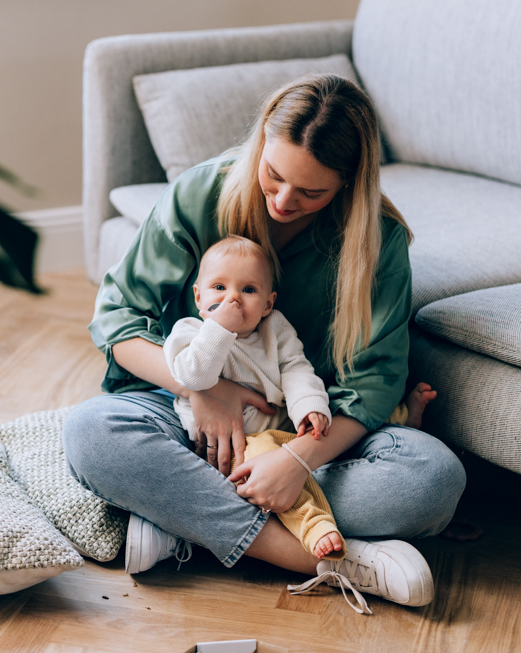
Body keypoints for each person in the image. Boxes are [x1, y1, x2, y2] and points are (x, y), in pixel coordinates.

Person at [63, 73, 466, 611]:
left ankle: (183, 522)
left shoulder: (379, 239)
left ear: (349, 183)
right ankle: (319, 557)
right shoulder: (201, 193)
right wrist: (203, 391)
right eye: (273, 175)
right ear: (261, 143)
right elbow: (118, 319)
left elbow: (375, 384)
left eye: (311, 192)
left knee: (432, 478)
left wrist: (296, 461)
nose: (282, 200)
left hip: (305, 428)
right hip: (186, 414)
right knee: (92, 432)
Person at [165, 234, 345, 562]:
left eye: (248, 290)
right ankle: (314, 525)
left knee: (330, 417)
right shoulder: (190, 332)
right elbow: (194, 377)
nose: (233, 298)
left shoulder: (275, 330)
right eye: (219, 287)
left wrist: (309, 406)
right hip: (238, 446)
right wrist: (220, 328)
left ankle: (404, 415)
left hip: (283, 427)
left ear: (268, 304)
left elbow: (296, 369)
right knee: (264, 463)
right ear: (198, 296)